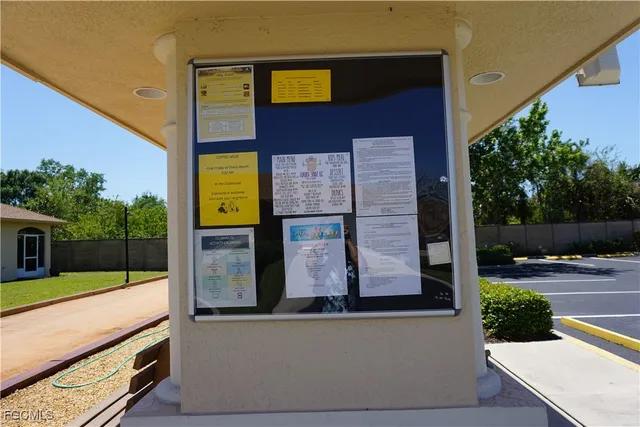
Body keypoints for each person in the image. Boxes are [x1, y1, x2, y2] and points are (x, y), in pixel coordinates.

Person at [321, 224, 359, 313]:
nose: (334, 239)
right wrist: (324, 238)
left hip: (352, 314)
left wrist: (348, 238)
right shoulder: (323, 256)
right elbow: (311, 263)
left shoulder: (348, 254)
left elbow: (358, 260)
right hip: (329, 314)